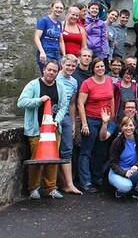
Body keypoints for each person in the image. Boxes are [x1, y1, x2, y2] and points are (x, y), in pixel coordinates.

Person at [17, 60, 69, 199]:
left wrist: (57, 121)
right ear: (44, 69)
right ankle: (33, 188)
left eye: (54, 71)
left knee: (52, 159)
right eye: (49, 70)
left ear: (57, 73)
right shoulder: (33, 85)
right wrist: (39, 100)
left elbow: (64, 106)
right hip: (36, 129)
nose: (51, 73)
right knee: (36, 159)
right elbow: (21, 102)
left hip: (53, 130)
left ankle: (50, 188)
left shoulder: (61, 86)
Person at [77, 58, 114, 192]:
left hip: (105, 120)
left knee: (100, 151)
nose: (100, 69)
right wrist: (84, 123)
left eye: (102, 66)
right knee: (87, 151)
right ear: (93, 69)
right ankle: (85, 182)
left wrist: (112, 117)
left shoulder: (109, 80)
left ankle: (97, 178)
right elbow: (80, 104)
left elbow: (111, 98)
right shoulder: (87, 83)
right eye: (97, 67)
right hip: (91, 120)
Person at [107, 117, 138, 200]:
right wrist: (124, 173)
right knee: (126, 187)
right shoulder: (117, 141)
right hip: (118, 172)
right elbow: (112, 163)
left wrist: (137, 166)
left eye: (131, 125)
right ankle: (121, 189)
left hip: (133, 170)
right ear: (122, 128)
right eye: (125, 126)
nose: (128, 128)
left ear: (134, 127)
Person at [55, 54, 83, 195]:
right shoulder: (55, 77)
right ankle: (58, 184)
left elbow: (72, 103)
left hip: (66, 117)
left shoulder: (73, 82)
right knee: (53, 151)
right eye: (68, 65)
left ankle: (69, 184)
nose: (71, 68)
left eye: (73, 66)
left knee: (67, 150)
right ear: (62, 65)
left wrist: (73, 123)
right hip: (53, 117)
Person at [35, 1, 65, 73]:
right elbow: (36, 37)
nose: (59, 9)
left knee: (56, 76)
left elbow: (61, 41)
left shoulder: (59, 23)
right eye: (57, 7)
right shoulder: (44, 20)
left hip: (56, 53)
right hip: (46, 51)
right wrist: (42, 52)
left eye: (61, 8)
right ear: (52, 8)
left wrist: (64, 55)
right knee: (47, 76)